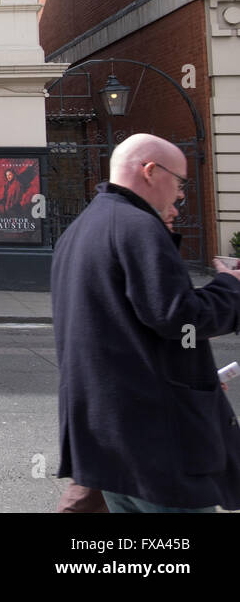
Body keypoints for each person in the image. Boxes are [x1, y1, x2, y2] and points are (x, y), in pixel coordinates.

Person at [52, 133, 240, 512]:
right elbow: (178, 317)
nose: (182, 195)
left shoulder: (81, 229)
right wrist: (231, 288)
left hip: (106, 439)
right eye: (180, 181)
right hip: (156, 444)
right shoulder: (138, 226)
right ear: (150, 171)